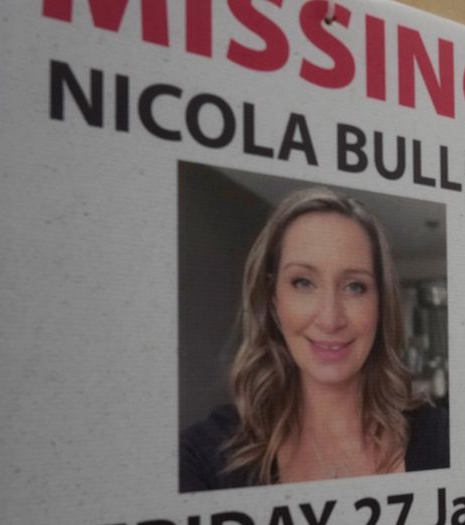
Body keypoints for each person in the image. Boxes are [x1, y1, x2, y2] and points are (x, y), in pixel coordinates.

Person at [180, 187, 449, 491]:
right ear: (273, 301)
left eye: (355, 287)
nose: (330, 319)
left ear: (381, 304)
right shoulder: (202, 459)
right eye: (304, 283)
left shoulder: (446, 438)